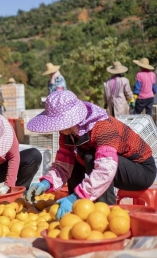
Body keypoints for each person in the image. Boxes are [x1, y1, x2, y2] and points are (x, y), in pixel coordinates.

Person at [25, 91, 156, 220]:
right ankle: (77, 210)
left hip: (141, 170)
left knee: (91, 158)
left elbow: (105, 169)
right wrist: (47, 182)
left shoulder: (102, 127)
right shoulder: (67, 132)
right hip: (111, 166)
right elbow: (63, 164)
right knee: (74, 158)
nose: (58, 128)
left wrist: (77, 196)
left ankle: (104, 212)